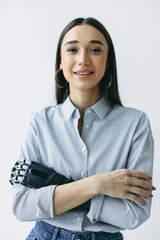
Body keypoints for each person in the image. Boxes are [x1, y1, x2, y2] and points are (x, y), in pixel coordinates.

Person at [11, 17, 155, 240]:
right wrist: (98, 185)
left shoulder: (135, 125)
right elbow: (21, 206)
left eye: (95, 50)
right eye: (72, 49)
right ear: (61, 61)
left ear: (108, 61)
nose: (83, 59)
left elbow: (134, 214)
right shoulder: (39, 124)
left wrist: (57, 191)